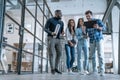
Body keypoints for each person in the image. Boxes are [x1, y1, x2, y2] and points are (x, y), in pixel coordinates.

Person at [85, 10, 106, 76]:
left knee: (100, 54)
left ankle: (102, 70)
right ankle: (94, 70)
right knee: (93, 56)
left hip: (99, 39)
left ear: (91, 15)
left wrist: (98, 27)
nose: (88, 17)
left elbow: (105, 28)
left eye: (88, 16)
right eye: (86, 16)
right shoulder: (87, 24)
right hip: (91, 40)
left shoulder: (98, 21)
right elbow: (86, 34)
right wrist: (85, 34)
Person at [45, 10, 64, 74]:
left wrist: (62, 33)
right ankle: (52, 68)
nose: (61, 15)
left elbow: (61, 31)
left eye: (61, 13)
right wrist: (51, 32)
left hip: (58, 39)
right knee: (52, 54)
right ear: (56, 14)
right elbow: (45, 29)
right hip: (51, 38)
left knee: (60, 53)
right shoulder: (50, 20)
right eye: (59, 13)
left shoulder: (61, 22)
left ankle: (55, 67)